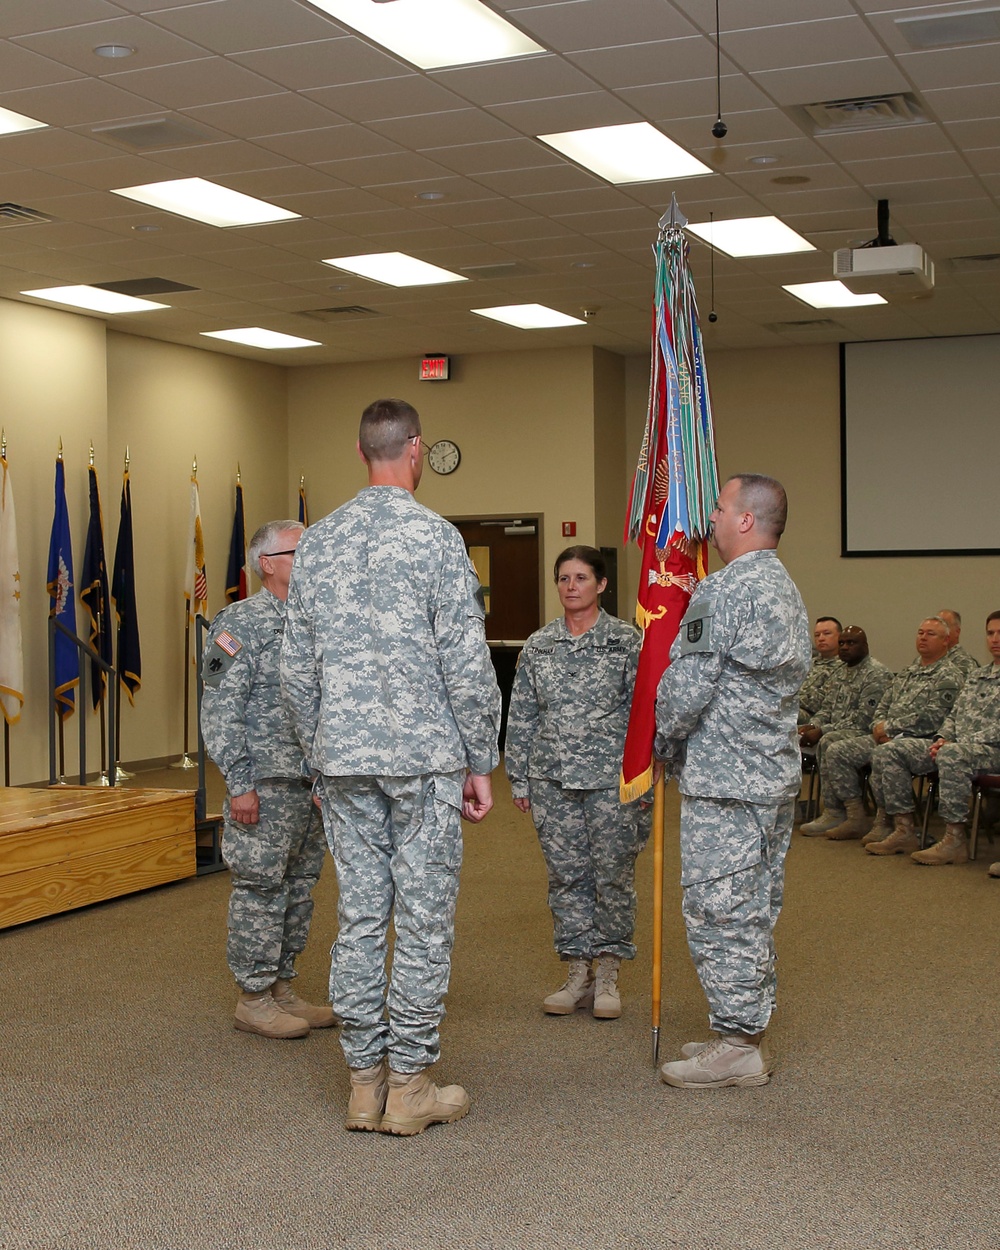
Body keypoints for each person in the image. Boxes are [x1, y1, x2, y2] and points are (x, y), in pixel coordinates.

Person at [280, 398, 501, 1136]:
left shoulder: (317, 542)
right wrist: (480, 759)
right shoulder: (437, 539)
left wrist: (319, 757)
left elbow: (294, 670)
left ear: (359, 449)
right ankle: (409, 1085)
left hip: (343, 762)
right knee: (424, 920)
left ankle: (362, 1082)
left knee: (361, 919)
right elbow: (466, 664)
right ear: (415, 450)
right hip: (422, 761)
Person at [654, 474, 810, 1090]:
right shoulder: (784, 589)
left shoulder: (724, 592)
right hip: (769, 776)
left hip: (726, 781)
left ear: (745, 520)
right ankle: (739, 1028)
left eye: (718, 508)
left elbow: (688, 688)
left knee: (721, 908)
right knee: (754, 905)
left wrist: (660, 737)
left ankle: (740, 1045)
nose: (709, 521)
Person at [201, 519, 334, 1040]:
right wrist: (239, 783)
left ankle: (282, 987)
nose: (311, 558)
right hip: (264, 784)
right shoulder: (237, 625)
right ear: (268, 563)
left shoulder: (314, 621)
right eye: (302, 550)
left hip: (308, 784)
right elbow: (219, 707)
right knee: (260, 889)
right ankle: (253, 997)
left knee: (299, 889)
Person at [505, 545, 649, 1021]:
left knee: (612, 875)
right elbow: (522, 714)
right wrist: (519, 777)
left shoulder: (627, 642)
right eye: (563, 578)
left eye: (581, 578)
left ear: (602, 585)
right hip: (553, 779)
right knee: (567, 876)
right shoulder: (539, 645)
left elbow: (643, 714)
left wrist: (644, 777)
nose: (571, 586)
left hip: (612, 782)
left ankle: (608, 970)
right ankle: (577, 970)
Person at [869, 611, 1000, 865]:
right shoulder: (978, 675)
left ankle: (954, 840)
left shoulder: (954, 672)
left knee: (952, 754)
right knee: (889, 751)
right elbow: (954, 714)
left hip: (991, 750)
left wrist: (957, 743)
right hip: (962, 746)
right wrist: (942, 737)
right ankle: (904, 830)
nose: (995, 639)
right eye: (990, 633)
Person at [822, 617, 962, 844]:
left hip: (925, 741)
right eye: (920, 632)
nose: (923, 637)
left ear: (946, 640)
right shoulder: (908, 671)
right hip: (889, 737)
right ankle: (856, 816)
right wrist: (879, 728)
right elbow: (883, 706)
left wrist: (889, 728)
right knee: (837, 750)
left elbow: (933, 718)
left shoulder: (949, 676)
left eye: (930, 634)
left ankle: (895, 824)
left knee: (886, 753)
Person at [799, 626, 892, 836]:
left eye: (851, 643)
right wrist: (813, 725)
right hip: (840, 729)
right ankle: (832, 811)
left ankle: (851, 814)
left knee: (829, 742)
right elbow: (827, 708)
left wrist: (822, 730)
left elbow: (864, 718)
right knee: (800, 734)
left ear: (865, 646)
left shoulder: (876, 673)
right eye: (842, 643)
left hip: (864, 732)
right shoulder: (840, 671)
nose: (845, 647)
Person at [798, 616, 842, 725]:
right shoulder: (809, 663)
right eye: (817, 635)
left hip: (816, 717)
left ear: (840, 636)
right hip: (793, 706)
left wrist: (789, 699)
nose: (821, 638)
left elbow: (819, 701)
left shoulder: (842, 667)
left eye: (827, 633)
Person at [938, 608, 979, 679]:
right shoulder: (923, 660)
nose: (939, 630)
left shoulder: (964, 662)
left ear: (957, 632)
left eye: (944, 626)